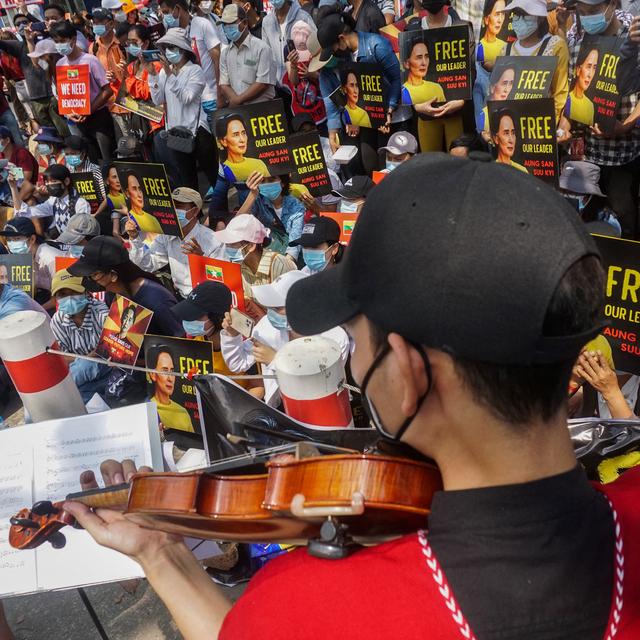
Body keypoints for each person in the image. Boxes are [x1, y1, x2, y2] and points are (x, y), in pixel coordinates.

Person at [67, 155, 640, 640]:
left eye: (358, 340)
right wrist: (158, 549)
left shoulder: (307, 608)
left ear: (410, 374)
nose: (356, 361)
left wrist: (161, 559)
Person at [563, 0, 640, 238]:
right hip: (588, 154)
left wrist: (624, 126)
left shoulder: (634, 37)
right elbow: (571, 93)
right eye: (582, 12)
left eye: (594, 11)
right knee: (585, 223)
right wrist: (565, 126)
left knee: (623, 216)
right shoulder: (576, 40)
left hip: (624, 154)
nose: (587, 17)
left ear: (611, 5)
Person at [220, 269, 349, 405]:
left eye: (277, 307)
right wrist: (232, 336)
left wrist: (276, 361)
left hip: (318, 410)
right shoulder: (266, 326)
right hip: (279, 406)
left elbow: (324, 385)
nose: (270, 312)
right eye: (269, 306)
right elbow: (237, 363)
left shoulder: (335, 338)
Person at [316, 11, 406, 173]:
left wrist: (389, 108)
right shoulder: (346, 58)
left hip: (394, 118)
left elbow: (396, 79)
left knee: (390, 167)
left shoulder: (376, 45)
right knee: (369, 164)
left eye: (334, 49)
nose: (335, 53)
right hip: (369, 120)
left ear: (342, 39)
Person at [67, 236, 184, 337]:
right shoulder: (111, 295)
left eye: (94, 275)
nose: (89, 280)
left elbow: (182, 343)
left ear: (113, 275)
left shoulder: (157, 301)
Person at [147, 28, 220, 192]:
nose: (168, 52)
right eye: (166, 48)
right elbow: (157, 99)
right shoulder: (164, 73)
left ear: (183, 50)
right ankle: (196, 215)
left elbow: (187, 97)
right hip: (176, 134)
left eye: (172, 47)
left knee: (213, 175)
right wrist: (152, 76)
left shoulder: (195, 70)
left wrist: (171, 76)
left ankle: (221, 211)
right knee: (187, 181)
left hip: (197, 132)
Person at [127, 187, 225, 298]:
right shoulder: (166, 235)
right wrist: (134, 238)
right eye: (172, 206)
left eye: (179, 206)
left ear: (195, 211)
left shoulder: (213, 240)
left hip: (207, 298)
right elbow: (147, 264)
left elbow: (223, 278)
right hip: (181, 297)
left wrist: (200, 259)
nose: (174, 210)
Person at [50, 20, 116, 162]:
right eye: (56, 41)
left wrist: (89, 109)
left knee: (108, 159)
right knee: (91, 160)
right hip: (77, 121)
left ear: (73, 40)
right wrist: (68, 113)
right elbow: (63, 95)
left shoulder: (90, 60)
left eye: (62, 41)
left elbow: (107, 90)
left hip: (98, 118)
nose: (59, 45)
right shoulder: (60, 64)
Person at [501, 0, 569, 124]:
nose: (520, 20)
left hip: (541, 128)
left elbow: (560, 92)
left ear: (540, 18)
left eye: (526, 15)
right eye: (516, 15)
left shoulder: (555, 46)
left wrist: (550, 125)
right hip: (511, 127)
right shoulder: (506, 50)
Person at [50, 268, 110, 402]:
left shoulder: (101, 313)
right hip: (79, 374)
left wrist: (85, 360)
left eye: (74, 292)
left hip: (106, 368)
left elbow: (106, 351)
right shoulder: (58, 320)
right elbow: (61, 358)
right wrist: (86, 357)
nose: (69, 298)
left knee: (85, 367)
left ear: (86, 292)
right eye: (63, 294)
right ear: (56, 298)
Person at [171, 280, 247, 382]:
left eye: (195, 316)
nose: (188, 321)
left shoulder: (242, 346)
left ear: (216, 317)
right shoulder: (193, 342)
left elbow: (259, 386)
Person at [157, 0, 221, 122]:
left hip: (209, 98)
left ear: (177, 9)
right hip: (186, 101)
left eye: (166, 12)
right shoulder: (171, 32)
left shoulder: (201, 24)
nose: (164, 17)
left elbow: (218, 59)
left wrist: (220, 93)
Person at [214, 213, 295, 306]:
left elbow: (290, 307)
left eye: (232, 245)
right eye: (226, 244)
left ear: (251, 246)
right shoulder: (239, 266)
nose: (227, 248)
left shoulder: (279, 265)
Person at [218, 4, 276, 108]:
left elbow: (262, 83)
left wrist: (238, 100)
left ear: (244, 22)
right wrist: (236, 101)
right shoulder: (225, 53)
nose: (227, 28)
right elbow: (224, 83)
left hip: (262, 111)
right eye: (224, 25)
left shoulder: (262, 48)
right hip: (239, 113)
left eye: (231, 23)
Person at [238, 171, 306, 259]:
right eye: (262, 181)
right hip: (266, 251)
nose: (266, 184)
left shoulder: (296, 207)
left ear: (283, 183)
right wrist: (252, 194)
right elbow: (237, 224)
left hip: (287, 257)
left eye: (271, 180)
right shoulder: (258, 200)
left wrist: (284, 265)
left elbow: (294, 245)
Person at [0, 217, 63, 310]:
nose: (11, 244)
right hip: (41, 296)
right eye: (9, 240)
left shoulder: (51, 259)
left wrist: (36, 311)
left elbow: (61, 297)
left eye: (17, 239)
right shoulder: (20, 257)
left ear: (32, 239)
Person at [11, 163, 91, 236]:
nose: (49, 185)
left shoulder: (80, 203)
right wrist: (13, 187)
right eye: (47, 182)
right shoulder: (53, 202)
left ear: (66, 181)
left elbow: (83, 233)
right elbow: (25, 212)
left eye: (54, 181)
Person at [90, 8, 129, 139]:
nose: (96, 26)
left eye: (100, 22)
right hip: (109, 107)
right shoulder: (93, 48)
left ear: (112, 24)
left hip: (130, 105)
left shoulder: (124, 43)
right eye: (94, 22)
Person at [559, 159, 621, 235]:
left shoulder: (607, 222)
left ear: (590, 195)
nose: (569, 194)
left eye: (577, 192)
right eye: (565, 190)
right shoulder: (553, 209)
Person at [261, 0, 316, 84]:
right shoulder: (267, 22)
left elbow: (317, 48)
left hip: (303, 84)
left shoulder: (303, 17)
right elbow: (266, 54)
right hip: (278, 86)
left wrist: (312, 73)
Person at [147, 343, 195, 432]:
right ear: (152, 374)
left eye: (172, 371)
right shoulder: (147, 410)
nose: (170, 378)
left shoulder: (183, 413)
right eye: (165, 370)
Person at [215, 112, 270, 182]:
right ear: (223, 141)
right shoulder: (222, 171)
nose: (242, 139)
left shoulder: (259, 164)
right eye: (235, 134)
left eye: (243, 133)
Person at [120, 169, 164, 235]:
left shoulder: (153, 219)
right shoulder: (129, 220)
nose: (139, 194)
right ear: (127, 193)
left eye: (139, 189)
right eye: (134, 189)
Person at [476, 60, 516, 132]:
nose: (507, 90)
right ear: (492, 87)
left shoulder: (513, 114)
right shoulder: (483, 115)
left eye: (511, 83)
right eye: (504, 83)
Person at [62, 136, 106, 200]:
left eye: (73, 153)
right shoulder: (68, 172)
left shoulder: (96, 171)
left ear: (83, 153)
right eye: (67, 154)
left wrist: (98, 210)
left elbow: (106, 198)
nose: (69, 156)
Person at [0, 125, 37, 200]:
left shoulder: (21, 153)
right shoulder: (1, 155)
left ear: (7, 140)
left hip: (25, 191)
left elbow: (26, 181)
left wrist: (10, 167)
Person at [564, 46, 598, 126]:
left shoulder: (590, 106)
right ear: (578, 70)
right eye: (588, 67)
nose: (590, 75)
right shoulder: (568, 100)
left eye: (594, 68)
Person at [490, 107, 528, 172]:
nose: (511, 140)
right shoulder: (491, 171)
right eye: (506, 133)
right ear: (496, 138)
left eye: (513, 133)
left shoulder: (522, 171)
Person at [477, 0, 507, 71]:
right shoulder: (477, 48)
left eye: (502, 14)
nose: (500, 20)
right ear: (487, 19)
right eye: (497, 14)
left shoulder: (506, 46)